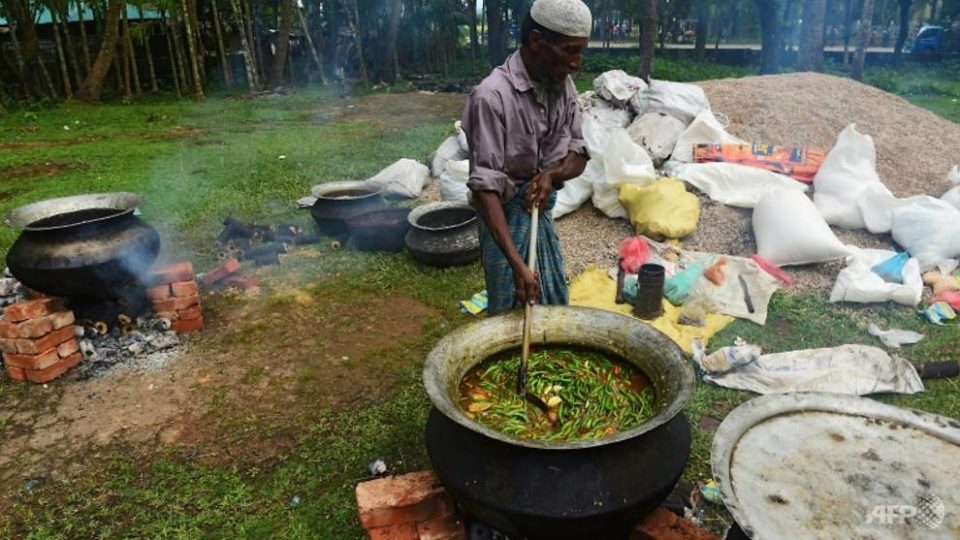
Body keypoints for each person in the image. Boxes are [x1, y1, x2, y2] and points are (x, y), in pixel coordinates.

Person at [461, 0, 591, 315]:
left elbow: (579, 152)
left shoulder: (563, 85)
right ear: (536, 42)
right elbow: (485, 188)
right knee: (510, 305)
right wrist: (517, 264)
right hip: (503, 216)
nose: (577, 63)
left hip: (540, 211)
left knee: (552, 294)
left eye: (580, 52)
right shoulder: (491, 97)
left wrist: (552, 175)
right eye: (570, 50)